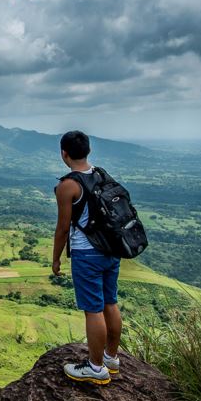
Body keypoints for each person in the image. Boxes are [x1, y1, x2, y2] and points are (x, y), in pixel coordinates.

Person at [52, 130, 122, 384]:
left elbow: (62, 228)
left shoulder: (68, 185)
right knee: (110, 303)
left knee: (93, 310)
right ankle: (111, 358)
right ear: (89, 151)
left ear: (64, 153)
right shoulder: (101, 175)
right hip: (111, 251)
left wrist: (56, 259)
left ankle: (95, 367)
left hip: (86, 253)